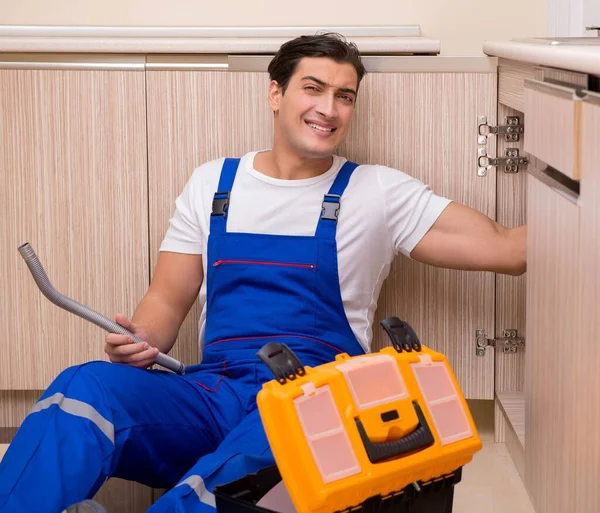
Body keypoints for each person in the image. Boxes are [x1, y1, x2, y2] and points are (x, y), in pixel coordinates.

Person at [0, 33, 526, 513]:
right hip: (212, 394)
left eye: (345, 96)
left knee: (242, 474)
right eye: (314, 88)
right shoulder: (213, 184)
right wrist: (136, 343)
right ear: (275, 93)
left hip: (314, 403)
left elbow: (508, 248)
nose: (329, 108)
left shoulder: (379, 193)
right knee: (82, 387)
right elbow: (162, 307)